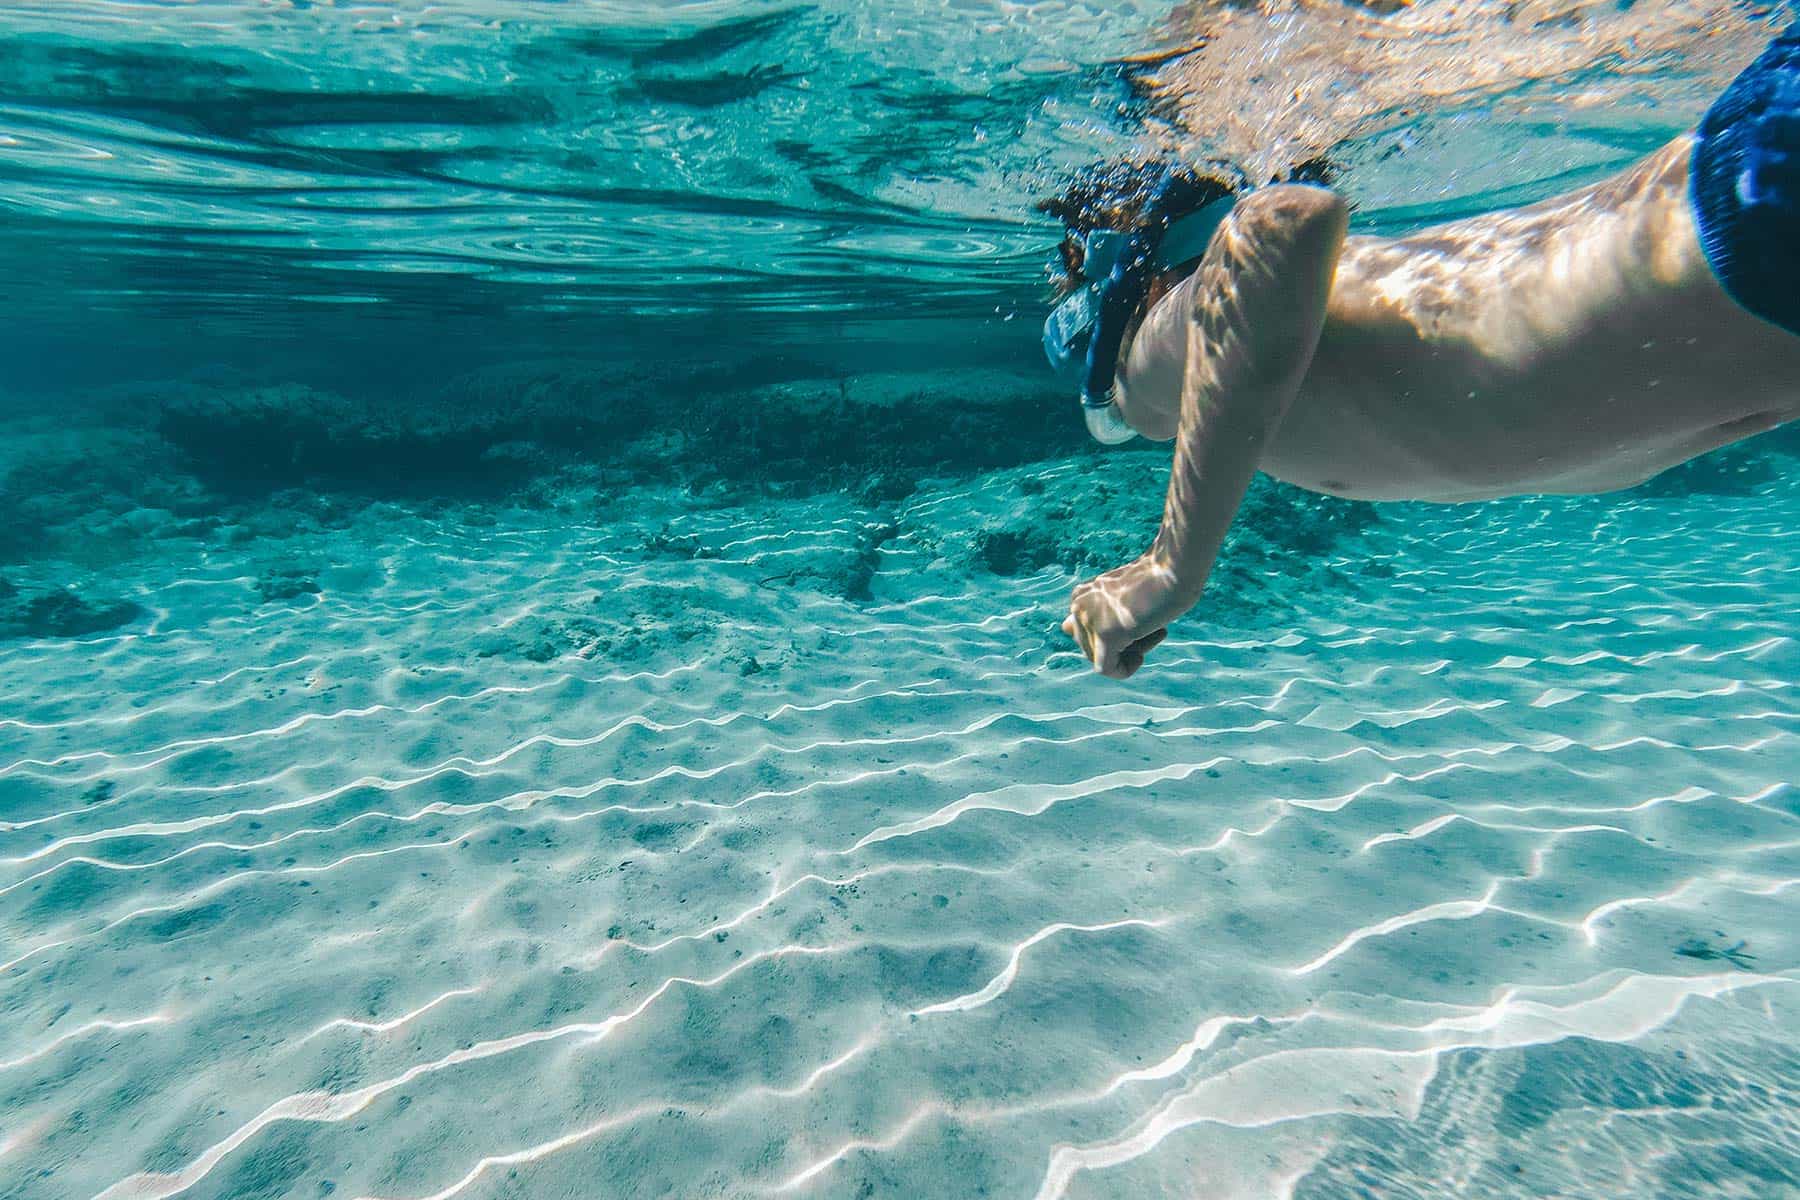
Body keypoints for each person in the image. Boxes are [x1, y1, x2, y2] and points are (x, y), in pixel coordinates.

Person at [1047, 25, 1800, 679]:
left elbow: (1278, 223)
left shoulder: (1160, 366)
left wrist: (1170, 568)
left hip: (1752, 217)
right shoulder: (1261, 382)